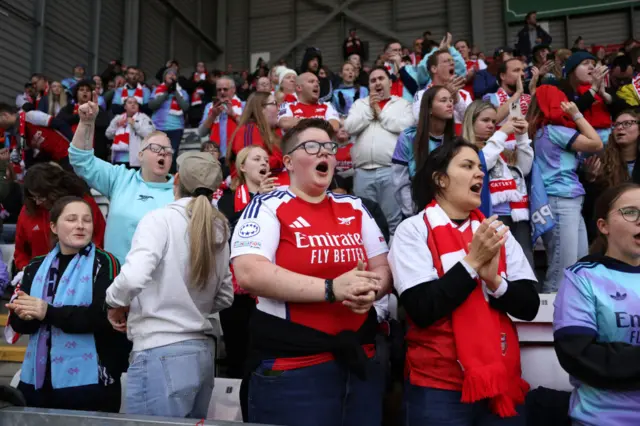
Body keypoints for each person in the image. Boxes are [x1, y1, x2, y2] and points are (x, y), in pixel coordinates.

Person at [231, 118, 392, 426]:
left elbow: (383, 268)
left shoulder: (355, 206)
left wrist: (373, 289)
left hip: (359, 362)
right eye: (312, 147)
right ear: (288, 161)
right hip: (294, 370)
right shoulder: (267, 206)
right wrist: (332, 289)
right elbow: (249, 272)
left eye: (329, 147)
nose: (324, 154)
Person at [389, 138, 539, 426]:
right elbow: (422, 308)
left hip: (502, 380)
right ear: (441, 179)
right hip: (438, 386)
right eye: (467, 166)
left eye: (480, 168)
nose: (480, 174)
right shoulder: (413, 230)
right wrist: (471, 264)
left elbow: (529, 305)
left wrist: (495, 281)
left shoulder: (496, 232)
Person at [105, 151, 233, 418]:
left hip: (159, 349)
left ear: (176, 180)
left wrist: (113, 301)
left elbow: (133, 277)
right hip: (201, 353)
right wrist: (190, 304)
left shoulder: (159, 219)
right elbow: (225, 296)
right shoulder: (219, 227)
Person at [7, 196, 130, 412]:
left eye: (87, 220)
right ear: (54, 226)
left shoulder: (105, 262)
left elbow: (101, 317)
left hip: (92, 383)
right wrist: (22, 315)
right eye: (72, 219)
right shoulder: (36, 266)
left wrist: (46, 311)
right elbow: (23, 325)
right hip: (38, 381)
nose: (81, 226)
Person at [553, 183, 640, 426]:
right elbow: (579, 355)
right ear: (603, 226)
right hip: (603, 419)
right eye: (631, 212)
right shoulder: (582, 277)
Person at [68, 96, 175, 264]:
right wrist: (87, 123)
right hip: (117, 280)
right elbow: (81, 160)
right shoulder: (120, 178)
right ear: (140, 155)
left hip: (162, 284)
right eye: (155, 148)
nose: (162, 153)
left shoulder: (181, 190)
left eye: (167, 151)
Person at [527, 91, 603, 292]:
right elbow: (596, 143)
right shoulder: (554, 130)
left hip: (567, 200)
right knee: (563, 268)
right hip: (561, 200)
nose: (566, 106)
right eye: (561, 101)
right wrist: (578, 114)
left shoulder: (543, 132)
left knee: (577, 264)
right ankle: (551, 320)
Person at [217, 145, 275, 380]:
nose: (264, 163)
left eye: (266, 159)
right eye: (257, 159)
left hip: (269, 287)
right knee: (237, 354)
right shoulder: (227, 201)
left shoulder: (278, 198)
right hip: (237, 292)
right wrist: (258, 201)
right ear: (242, 167)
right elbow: (231, 231)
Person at [462, 101, 535, 267]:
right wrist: (502, 133)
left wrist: (522, 137)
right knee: (500, 265)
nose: (491, 125)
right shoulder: (465, 149)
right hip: (492, 215)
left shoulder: (499, 147)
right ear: (471, 121)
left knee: (525, 263)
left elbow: (524, 169)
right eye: (485, 120)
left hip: (518, 213)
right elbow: (481, 164)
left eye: (494, 122)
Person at [344, 66, 414, 234]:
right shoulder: (360, 104)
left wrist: (380, 114)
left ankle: (393, 259)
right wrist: (370, 110)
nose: (377, 83)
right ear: (369, 85)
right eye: (373, 80)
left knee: (393, 222)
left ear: (390, 82)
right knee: (365, 222)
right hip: (362, 173)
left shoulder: (403, 104)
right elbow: (349, 127)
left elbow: (406, 127)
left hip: (390, 170)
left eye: (381, 79)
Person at [14, 163, 106, 271]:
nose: (38, 202)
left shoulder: (84, 204)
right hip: (39, 276)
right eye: (34, 197)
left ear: (55, 190)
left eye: (41, 197)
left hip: (81, 274)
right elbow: (20, 251)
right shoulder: (28, 210)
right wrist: (26, 268)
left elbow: (100, 241)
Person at [392, 86, 455, 217]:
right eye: (443, 100)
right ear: (430, 108)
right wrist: (412, 213)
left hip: (449, 212)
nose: (449, 104)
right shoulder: (408, 137)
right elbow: (400, 181)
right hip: (416, 212)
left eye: (451, 100)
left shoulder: (455, 142)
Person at [582, 111, 640, 240]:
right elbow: (592, 208)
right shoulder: (602, 162)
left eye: (627, 123)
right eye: (616, 124)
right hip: (612, 231)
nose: (620, 127)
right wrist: (590, 180)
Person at [227, 92, 285, 184]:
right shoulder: (248, 130)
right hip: (252, 192)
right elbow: (252, 164)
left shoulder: (274, 131)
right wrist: (286, 158)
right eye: (274, 103)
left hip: (270, 186)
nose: (279, 108)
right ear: (261, 108)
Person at [413, 48, 471, 134]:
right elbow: (419, 118)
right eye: (446, 61)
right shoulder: (421, 94)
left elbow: (471, 120)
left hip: (460, 144)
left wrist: (456, 98)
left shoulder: (464, 94)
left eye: (452, 61)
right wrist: (444, 95)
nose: (452, 63)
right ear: (434, 69)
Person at [0, 103, 73, 171]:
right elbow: (27, 158)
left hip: (67, 151)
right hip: (54, 161)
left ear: (5, 115)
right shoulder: (15, 134)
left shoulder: (30, 116)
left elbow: (60, 124)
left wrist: (75, 145)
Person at [57, 81, 111, 161]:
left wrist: (90, 117)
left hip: (94, 152)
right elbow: (60, 121)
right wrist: (81, 116)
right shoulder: (69, 108)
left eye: (88, 90)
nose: (85, 92)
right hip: (71, 149)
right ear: (76, 93)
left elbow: (104, 123)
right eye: (81, 90)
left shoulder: (98, 109)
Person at [149, 68, 189, 173]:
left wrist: (175, 92)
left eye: (174, 74)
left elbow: (185, 107)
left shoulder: (182, 92)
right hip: (158, 127)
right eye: (169, 74)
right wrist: (166, 93)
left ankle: (170, 180)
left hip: (176, 128)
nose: (172, 75)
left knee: (171, 154)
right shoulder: (157, 90)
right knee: (157, 154)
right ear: (164, 77)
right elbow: (152, 105)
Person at [198, 76, 244, 162]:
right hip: (215, 156)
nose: (222, 92)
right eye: (219, 90)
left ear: (233, 89)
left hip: (237, 155)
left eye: (225, 89)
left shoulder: (243, 105)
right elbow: (201, 133)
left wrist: (233, 114)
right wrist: (213, 115)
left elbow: (248, 128)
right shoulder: (210, 106)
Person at [105, 97, 155, 168]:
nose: (133, 104)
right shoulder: (118, 118)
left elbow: (150, 135)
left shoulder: (144, 118)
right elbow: (108, 134)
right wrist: (116, 125)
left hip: (136, 161)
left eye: (135, 103)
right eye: (130, 102)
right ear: (125, 106)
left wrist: (134, 124)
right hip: (118, 159)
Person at [483, 59, 532, 125]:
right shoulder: (490, 98)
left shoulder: (529, 97)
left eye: (523, 70)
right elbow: (492, 121)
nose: (522, 74)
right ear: (503, 76)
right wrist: (518, 93)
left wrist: (533, 90)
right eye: (516, 70)